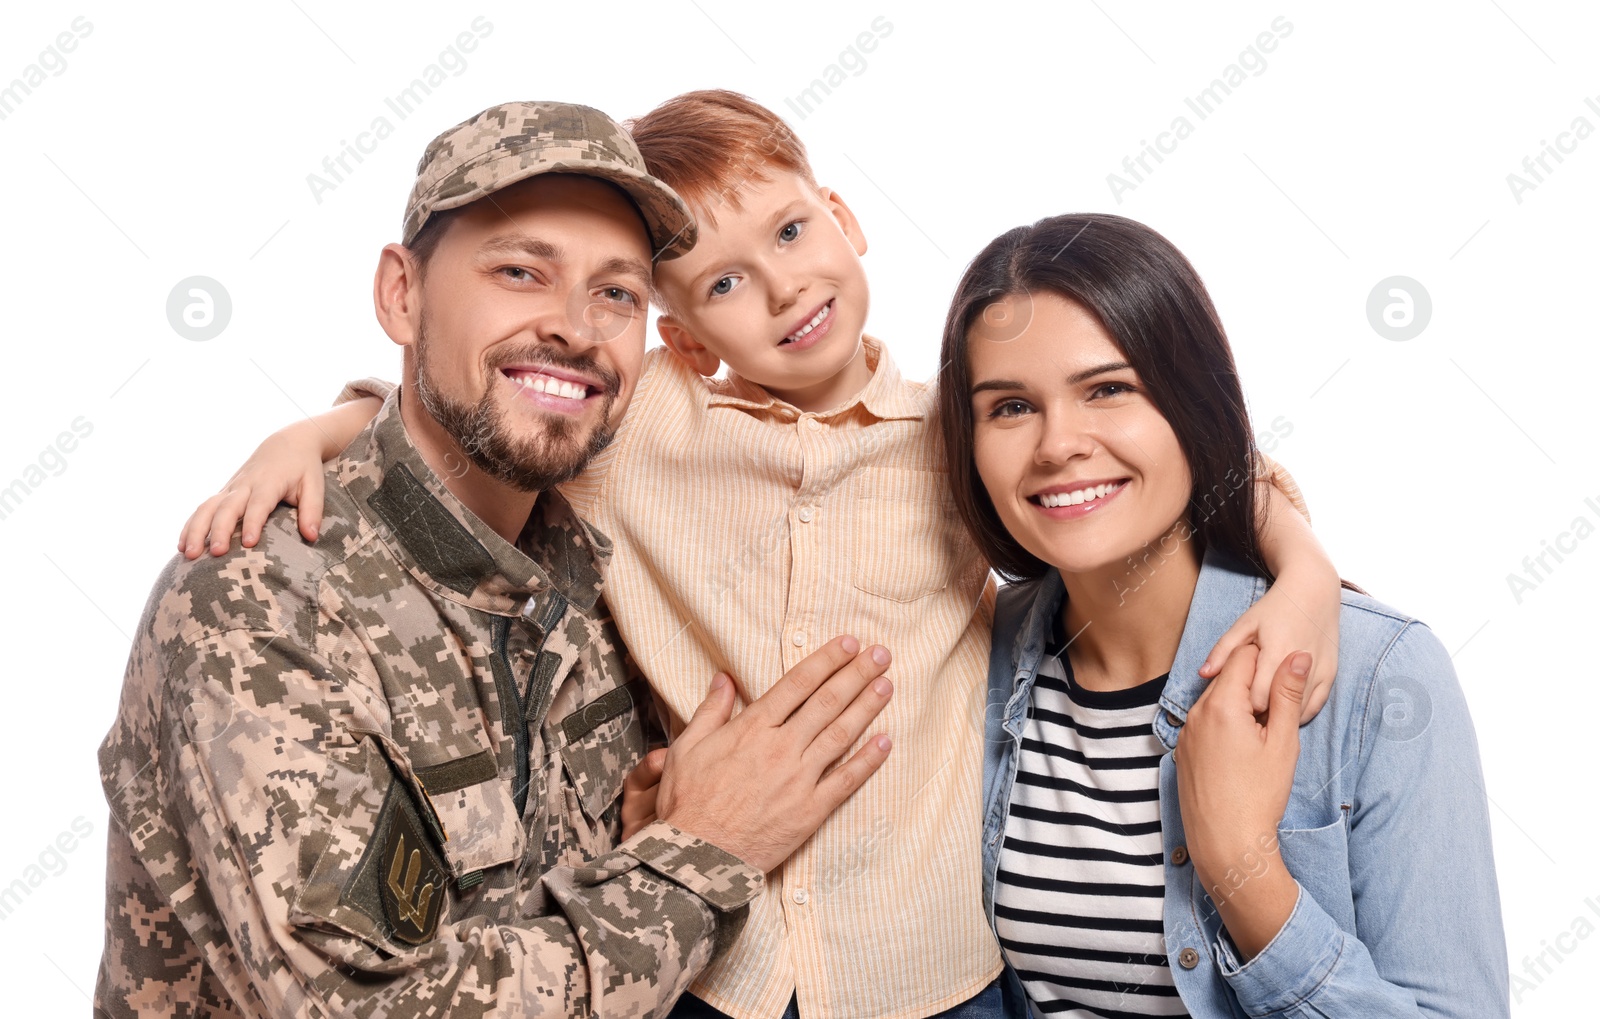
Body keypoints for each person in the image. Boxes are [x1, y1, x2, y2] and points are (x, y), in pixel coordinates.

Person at [177, 93, 1344, 1019]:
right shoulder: (641, 434)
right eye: (723, 283)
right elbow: (476, 411)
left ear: (844, 215)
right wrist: (322, 428)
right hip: (711, 966)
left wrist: (1297, 574)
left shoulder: (965, 431)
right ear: (681, 335)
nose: (781, 286)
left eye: (792, 231)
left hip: (925, 971)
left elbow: (1179, 473)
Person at [95, 101, 907, 1019]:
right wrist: (704, 849)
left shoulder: (596, 570)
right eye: (520, 271)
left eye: (617, 293)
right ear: (401, 295)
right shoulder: (256, 604)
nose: (574, 326)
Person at [936, 213, 1509, 1017]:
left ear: (1192, 403)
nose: (1058, 444)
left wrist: (1244, 868)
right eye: (1009, 407)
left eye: (1109, 389)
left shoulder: (1381, 675)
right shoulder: (973, 655)